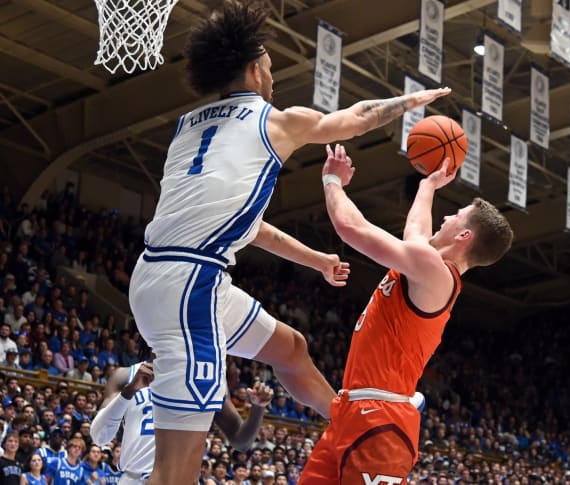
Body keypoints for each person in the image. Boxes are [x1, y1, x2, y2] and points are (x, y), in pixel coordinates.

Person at [127, 2, 451, 484]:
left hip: (171, 274)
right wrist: (406, 104)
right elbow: (357, 118)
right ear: (255, 69)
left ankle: (343, 417)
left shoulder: (187, 129)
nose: (273, 78)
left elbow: (245, 224)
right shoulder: (275, 121)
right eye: (272, 69)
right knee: (174, 475)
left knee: (290, 349)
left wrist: (316, 259)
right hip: (191, 289)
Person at [298, 145, 514, 484]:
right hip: (352, 411)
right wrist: (427, 186)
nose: (444, 217)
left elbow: (349, 227)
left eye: (455, 215)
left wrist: (331, 181)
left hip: (380, 421)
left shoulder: (435, 273)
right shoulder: (425, 264)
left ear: (463, 235)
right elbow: (415, 231)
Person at [90, 361, 275, 485]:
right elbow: (100, 436)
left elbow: (241, 442)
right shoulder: (127, 375)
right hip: (134, 478)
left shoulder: (206, 378)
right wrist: (130, 390)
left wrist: (258, 407)